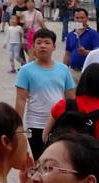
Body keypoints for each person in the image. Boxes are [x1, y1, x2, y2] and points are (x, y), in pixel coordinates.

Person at [15, 28, 76, 161]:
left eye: (47, 43)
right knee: (40, 160)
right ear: (33, 46)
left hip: (60, 124)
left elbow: (71, 98)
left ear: (54, 47)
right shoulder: (26, 70)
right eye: (39, 42)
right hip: (36, 124)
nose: (43, 46)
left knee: (59, 161)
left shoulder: (63, 69)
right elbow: (20, 100)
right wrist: (18, 126)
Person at [42, 63, 99, 158]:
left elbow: (45, 136)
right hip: (88, 169)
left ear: (82, 82)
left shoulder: (62, 105)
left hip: (59, 164)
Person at [63, 8, 99, 83]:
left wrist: (85, 52)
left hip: (87, 72)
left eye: (82, 18)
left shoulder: (93, 34)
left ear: (87, 19)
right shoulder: (71, 35)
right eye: (77, 18)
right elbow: (67, 53)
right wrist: (64, 70)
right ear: (74, 19)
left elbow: (98, 53)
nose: (79, 20)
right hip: (72, 72)